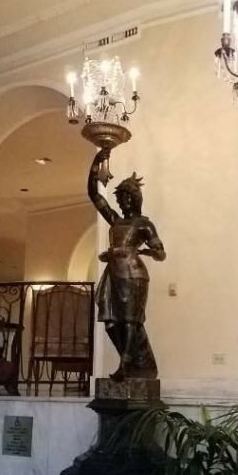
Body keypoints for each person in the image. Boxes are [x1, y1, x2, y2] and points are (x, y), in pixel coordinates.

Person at [88, 147, 165, 381]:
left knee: (131, 321)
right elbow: (94, 195)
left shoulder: (144, 224)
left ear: (135, 198)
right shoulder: (115, 220)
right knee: (111, 323)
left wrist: (142, 250)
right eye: (120, 199)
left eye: (126, 198)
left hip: (133, 274)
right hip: (113, 274)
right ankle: (134, 361)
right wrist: (95, 163)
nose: (123, 202)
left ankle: (125, 365)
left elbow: (161, 253)